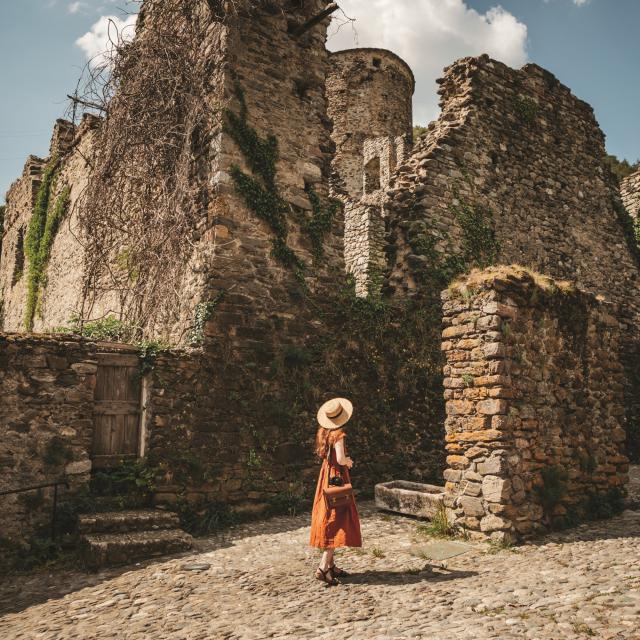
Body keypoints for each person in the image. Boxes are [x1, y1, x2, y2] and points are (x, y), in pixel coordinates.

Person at [309, 397, 362, 586]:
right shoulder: (338, 434)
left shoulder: (323, 433)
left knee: (329, 516)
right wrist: (349, 461)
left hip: (326, 477)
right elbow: (340, 459)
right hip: (337, 478)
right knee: (337, 519)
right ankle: (323, 567)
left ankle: (331, 566)